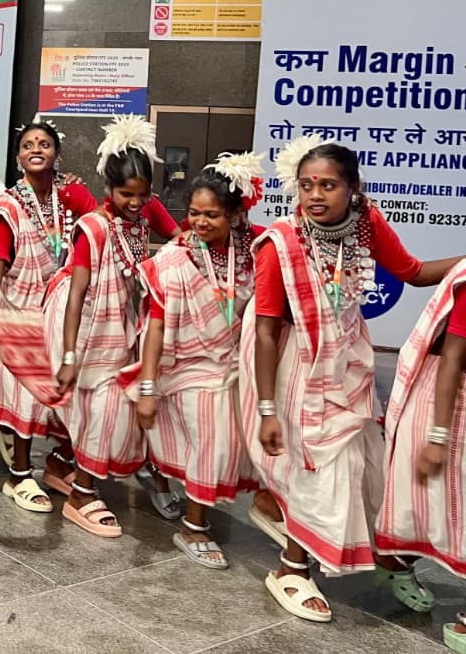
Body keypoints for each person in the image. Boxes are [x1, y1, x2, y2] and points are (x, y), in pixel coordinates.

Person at [244, 136, 460, 623]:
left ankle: (380, 555)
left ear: (352, 189)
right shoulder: (281, 243)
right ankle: (290, 567)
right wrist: (267, 408)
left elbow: (414, 272)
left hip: (348, 359)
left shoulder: (366, 222)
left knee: (363, 464)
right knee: (320, 465)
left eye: (328, 185)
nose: (315, 195)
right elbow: (266, 330)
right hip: (293, 363)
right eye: (306, 186)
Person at [48, 116, 180, 538]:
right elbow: (76, 296)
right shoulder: (93, 227)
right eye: (127, 194)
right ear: (108, 188)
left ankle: (67, 468)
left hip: (122, 324)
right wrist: (70, 355)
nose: (137, 203)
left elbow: (180, 241)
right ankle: (81, 495)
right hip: (85, 329)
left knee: (107, 411)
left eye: (144, 194)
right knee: (102, 411)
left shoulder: (142, 215)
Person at [133, 154, 264, 569]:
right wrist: (148, 387)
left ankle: (161, 477)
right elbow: (156, 325)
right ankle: (194, 527)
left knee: (229, 446)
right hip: (186, 364)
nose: (200, 223)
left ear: (235, 214)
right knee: (213, 440)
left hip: (237, 364)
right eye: (193, 213)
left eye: (212, 215)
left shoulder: (256, 248)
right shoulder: (175, 257)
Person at [0, 118, 98, 512]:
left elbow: (101, 224)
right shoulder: (9, 203)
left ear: (57, 154)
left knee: (75, 392)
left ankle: (58, 463)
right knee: (26, 398)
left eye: (44, 144)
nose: (36, 149)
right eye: (27, 145)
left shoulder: (70, 193)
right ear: (18, 158)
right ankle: (19, 477)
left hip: (56, 313)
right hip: (15, 311)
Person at [377, 258, 466, 652]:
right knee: (425, 501)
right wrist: (439, 437)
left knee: (436, 506)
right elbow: (452, 359)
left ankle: (395, 561)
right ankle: (394, 562)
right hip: (444, 400)